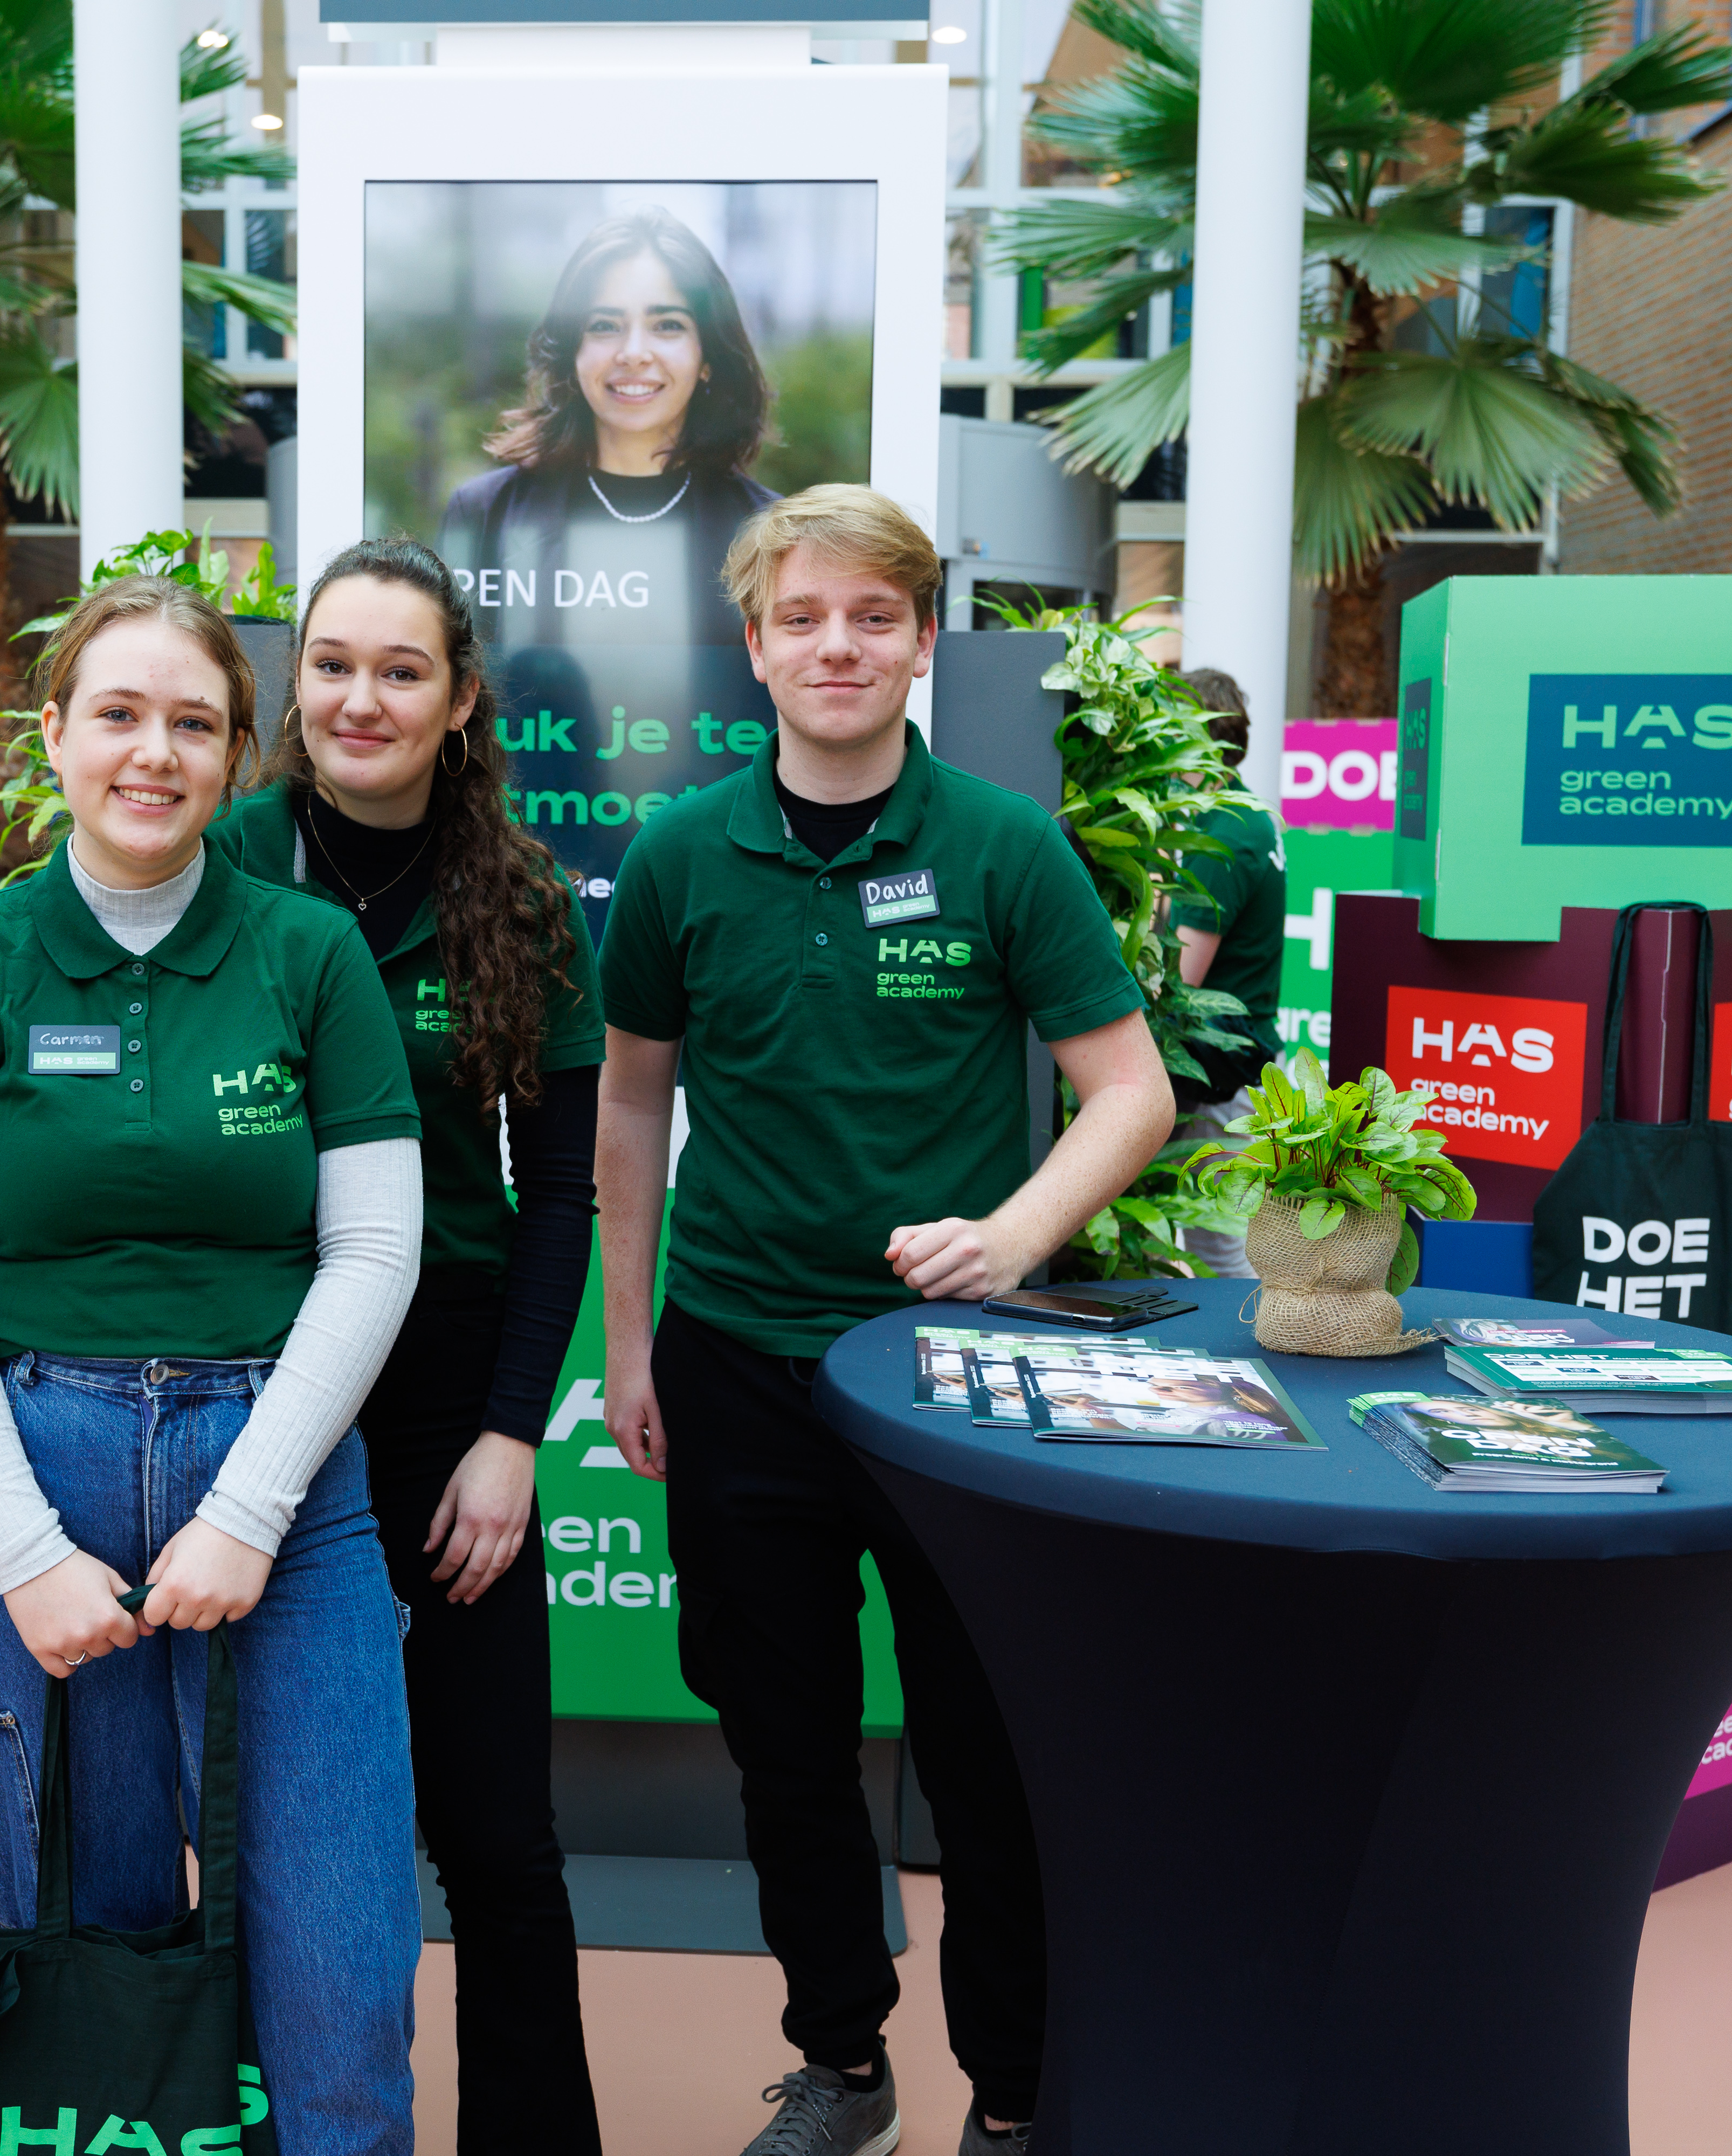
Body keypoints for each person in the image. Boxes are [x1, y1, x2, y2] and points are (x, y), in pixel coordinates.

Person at [594, 485, 1175, 2156]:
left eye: (869, 617)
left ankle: (1013, 2091)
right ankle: (841, 2064)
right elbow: (633, 1109)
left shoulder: (1000, 843)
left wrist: (1011, 1234)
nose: (833, 646)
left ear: (923, 638)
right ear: (754, 645)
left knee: (988, 1759)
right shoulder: (680, 852)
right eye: (799, 618)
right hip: (732, 1357)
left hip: (950, 1380)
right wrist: (628, 1346)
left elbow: (1124, 1090)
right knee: (783, 1753)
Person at [0, 576, 429, 2155]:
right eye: (116, 712)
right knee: (87, 1964)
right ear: (53, 734)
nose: (151, 751)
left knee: (339, 1973)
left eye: (192, 720)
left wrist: (248, 1505)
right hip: (25, 1495)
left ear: (240, 755)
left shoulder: (309, 956)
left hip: (285, 1492)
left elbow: (373, 1250)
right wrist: (25, 1550)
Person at [205, 535, 608, 2156]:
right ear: (291, 685)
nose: (358, 697)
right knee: (265, 1826)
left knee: (497, 1828)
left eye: (399, 670)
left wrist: (515, 1432)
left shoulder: (519, 896)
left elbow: (565, 1187)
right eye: (330, 664)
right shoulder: (220, 858)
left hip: (447, 1389)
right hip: (244, 1380)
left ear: (457, 705)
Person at [439, 205, 783, 652]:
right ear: (572, 352)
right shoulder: (488, 514)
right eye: (605, 326)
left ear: (708, 359)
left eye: (667, 325)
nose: (634, 352)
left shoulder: (771, 534)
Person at [1165, 666, 1285, 1278]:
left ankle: (1248, 1364)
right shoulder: (1244, 813)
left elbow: (1183, 973)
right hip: (1245, 1061)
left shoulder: (1224, 832)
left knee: (1219, 1244)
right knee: (1223, 1235)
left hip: (1220, 1072)